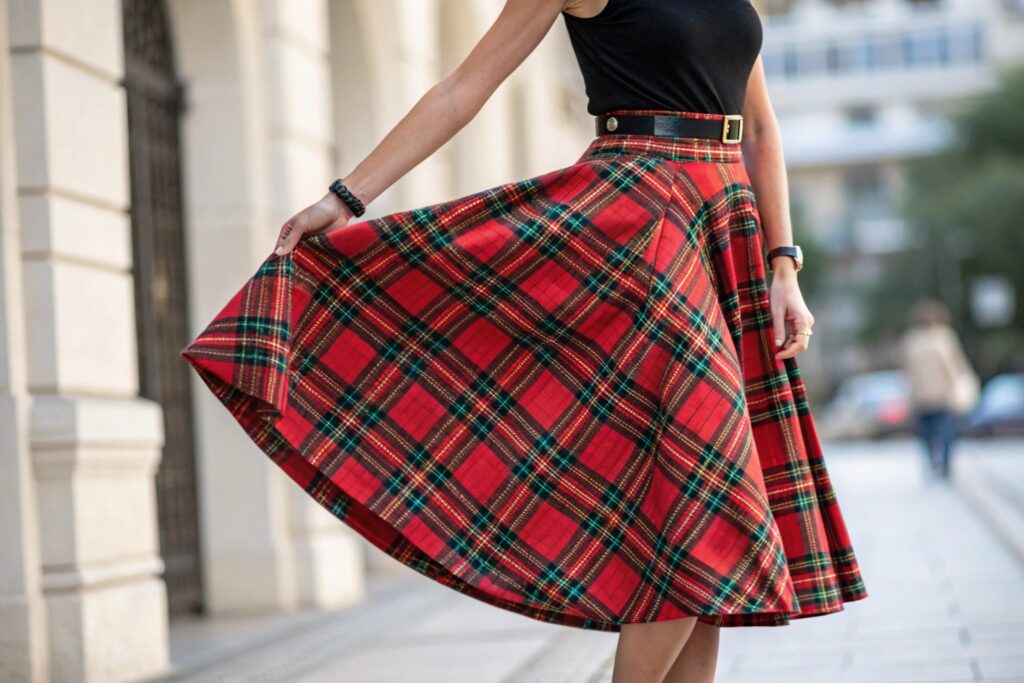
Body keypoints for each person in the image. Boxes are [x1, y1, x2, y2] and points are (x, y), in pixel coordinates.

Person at [180, 1, 868, 681]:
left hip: (726, 228)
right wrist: (345, 197)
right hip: (641, 228)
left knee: (701, 516)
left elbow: (762, 133)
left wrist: (783, 263)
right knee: (709, 495)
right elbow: (461, 89)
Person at [899, 298, 977, 481]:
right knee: (935, 434)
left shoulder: (933, 338)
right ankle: (939, 465)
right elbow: (956, 366)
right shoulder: (926, 339)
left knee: (938, 434)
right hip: (931, 396)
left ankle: (942, 465)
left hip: (934, 395)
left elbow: (954, 366)